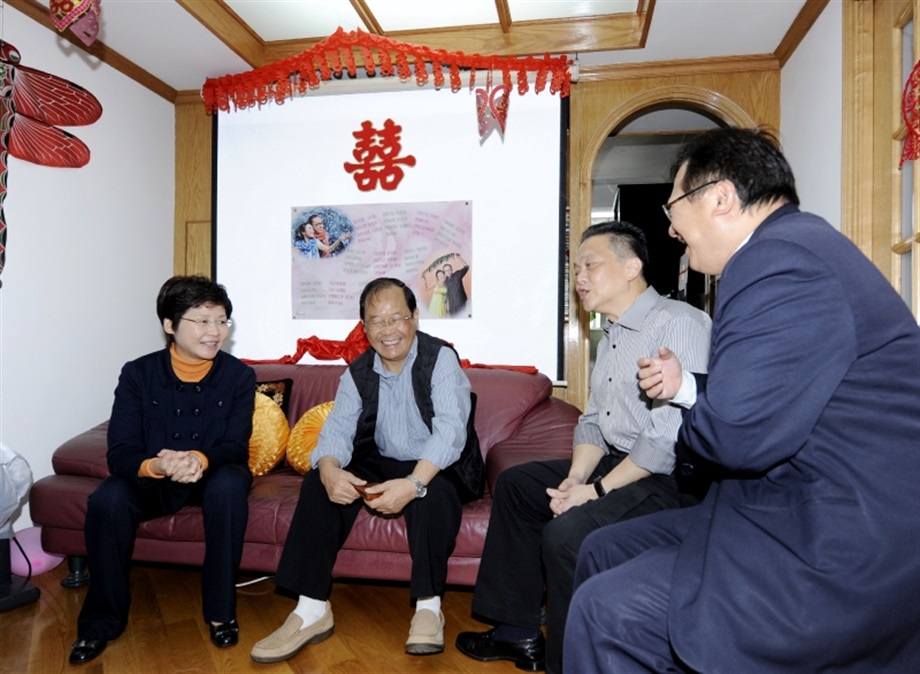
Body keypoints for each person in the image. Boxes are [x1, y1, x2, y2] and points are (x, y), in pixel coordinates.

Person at [566, 128, 920, 673]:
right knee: (601, 548)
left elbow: (732, 436)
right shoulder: (797, 247)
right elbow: (775, 397)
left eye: (674, 206)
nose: (671, 228)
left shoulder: (777, 262)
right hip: (784, 503)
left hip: (833, 538)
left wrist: (678, 425)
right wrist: (689, 388)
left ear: (721, 198)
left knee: (603, 609)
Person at [455, 221, 712, 673]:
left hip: (670, 479)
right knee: (518, 485)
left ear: (632, 267)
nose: (580, 277)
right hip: (620, 463)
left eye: (591, 265)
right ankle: (519, 634)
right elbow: (593, 423)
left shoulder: (680, 323)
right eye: (576, 269)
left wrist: (593, 493)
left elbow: (664, 440)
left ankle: (570, 662)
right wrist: (574, 478)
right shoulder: (610, 333)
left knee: (567, 533)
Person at [250, 277, 479, 664]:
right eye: (376, 321)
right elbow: (337, 429)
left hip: (438, 461)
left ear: (415, 318)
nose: (388, 330)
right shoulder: (357, 372)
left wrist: (413, 484)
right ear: (365, 327)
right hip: (382, 455)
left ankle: (428, 607)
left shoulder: (440, 359)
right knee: (317, 485)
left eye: (397, 318)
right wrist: (328, 470)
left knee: (432, 494)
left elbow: (450, 433)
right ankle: (311, 609)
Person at [69, 276, 256, 665]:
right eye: (202, 321)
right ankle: (98, 624)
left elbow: (234, 446)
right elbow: (120, 452)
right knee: (108, 498)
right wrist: (157, 464)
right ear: (170, 325)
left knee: (229, 487)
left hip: (213, 474)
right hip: (155, 477)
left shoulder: (239, 376)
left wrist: (197, 461)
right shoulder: (138, 374)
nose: (215, 331)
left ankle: (221, 613)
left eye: (222, 321)